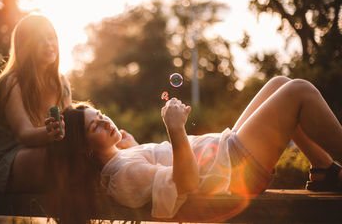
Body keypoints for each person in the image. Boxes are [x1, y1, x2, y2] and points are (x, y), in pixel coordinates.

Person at [61, 76, 342, 219]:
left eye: (100, 115)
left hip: (226, 153)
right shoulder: (121, 174)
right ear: (85, 150)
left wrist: (129, 144)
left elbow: (148, 164)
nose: (104, 121)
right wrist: (175, 129)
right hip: (233, 171)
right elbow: (186, 182)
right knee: (299, 91)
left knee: (280, 83)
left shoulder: (121, 158)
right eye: (93, 127)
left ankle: (323, 169)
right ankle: (327, 168)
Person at [0, 14, 72, 193]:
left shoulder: (62, 83)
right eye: (39, 39)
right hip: (3, 165)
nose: (49, 44)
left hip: (38, 155)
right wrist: (51, 134)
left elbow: (69, 127)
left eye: (51, 37)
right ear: (26, 45)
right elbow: (25, 135)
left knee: (86, 147)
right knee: (60, 158)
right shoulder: (10, 82)